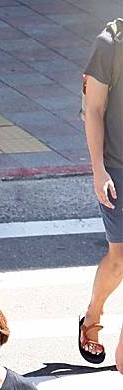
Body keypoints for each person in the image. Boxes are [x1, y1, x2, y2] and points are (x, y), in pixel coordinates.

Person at [79, 18, 123, 364]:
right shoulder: (109, 43)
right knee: (119, 259)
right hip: (117, 168)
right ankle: (93, 314)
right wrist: (99, 169)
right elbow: (92, 109)